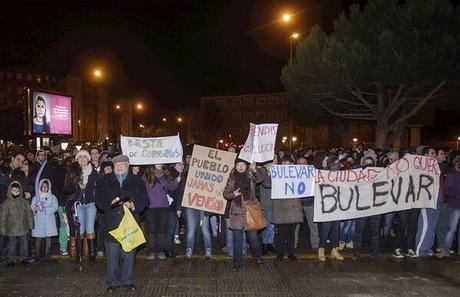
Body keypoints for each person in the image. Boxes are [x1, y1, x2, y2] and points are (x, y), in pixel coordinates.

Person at [95, 154, 148, 293]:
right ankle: (112, 282)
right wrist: (109, 204)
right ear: (113, 166)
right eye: (116, 164)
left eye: (122, 164)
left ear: (127, 165)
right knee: (112, 256)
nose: (119, 166)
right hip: (111, 224)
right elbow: (98, 200)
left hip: (130, 225)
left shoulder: (137, 181)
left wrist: (133, 204)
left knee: (129, 255)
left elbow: (145, 199)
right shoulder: (104, 181)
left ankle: (128, 281)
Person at [223, 158, 263, 271]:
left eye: (243, 165)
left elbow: (260, 179)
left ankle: (257, 257)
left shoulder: (250, 175)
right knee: (237, 239)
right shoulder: (232, 178)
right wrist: (233, 194)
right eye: (238, 164)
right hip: (237, 211)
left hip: (250, 209)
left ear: (246, 166)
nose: (241, 167)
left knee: (253, 238)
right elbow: (226, 194)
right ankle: (237, 263)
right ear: (235, 166)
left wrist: (255, 170)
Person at [63, 150, 99, 263]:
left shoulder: (93, 172)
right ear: (77, 160)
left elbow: (99, 187)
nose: (82, 159)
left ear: (88, 159)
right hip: (78, 205)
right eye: (80, 157)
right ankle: (79, 254)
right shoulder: (73, 172)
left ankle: (92, 255)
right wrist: (71, 177)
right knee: (80, 228)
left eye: (85, 157)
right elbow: (65, 189)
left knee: (90, 228)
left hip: (90, 203)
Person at [143, 164, 179, 260]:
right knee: (151, 230)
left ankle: (160, 251)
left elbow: (172, 187)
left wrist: (177, 180)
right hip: (150, 207)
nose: (159, 163)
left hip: (163, 206)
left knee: (161, 231)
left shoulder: (166, 174)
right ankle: (151, 251)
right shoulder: (147, 175)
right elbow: (140, 186)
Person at [272, 155, 304, 261]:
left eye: (289, 163)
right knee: (281, 233)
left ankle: (291, 253)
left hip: (292, 207)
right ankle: (280, 253)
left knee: (291, 233)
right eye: (284, 163)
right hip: (280, 207)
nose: (287, 165)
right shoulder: (275, 173)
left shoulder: (296, 174)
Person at [352, 157, 382, 259]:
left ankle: (375, 252)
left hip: (375, 208)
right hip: (362, 208)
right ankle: (356, 252)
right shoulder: (359, 176)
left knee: (375, 232)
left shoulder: (379, 176)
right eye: (366, 163)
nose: (369, 165)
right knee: (359, 231)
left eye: (370, 163)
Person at [0, 181, 34, 267]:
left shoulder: (24, 202)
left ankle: (24, 258)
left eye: (17, 191)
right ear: (10, 191)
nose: (16, 192)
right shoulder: (6, 203)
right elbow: (3, 217)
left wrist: (30, 224)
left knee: (24, 244)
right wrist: (3, 229)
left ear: (20, 191)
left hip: (23, 227)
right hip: (11, 228)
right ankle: (11, 260)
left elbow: (29, 213)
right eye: (14, 190)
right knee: (11, 245)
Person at [318, 156, 344, 261]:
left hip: (337, 207)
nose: (337, 165)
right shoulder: (324, 174)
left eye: (338, 163)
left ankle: (335, 250)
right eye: (335, 163)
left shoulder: (341, 175)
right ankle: (321, 250)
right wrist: (324, 166)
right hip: (326, 207)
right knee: (325, 229)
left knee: (335, 230)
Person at [436, 156, 460, 258]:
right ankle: (445, 249)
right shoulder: (451, 175)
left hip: (455, 204)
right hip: (455, 205)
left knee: (452, 229)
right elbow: (447, 190)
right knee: (451, 229)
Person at [31, 179, 58, 261]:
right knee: (38, 238)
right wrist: (36, 208)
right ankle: (37, 255)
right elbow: (32, 207)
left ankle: (47, 255)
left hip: (49, 221)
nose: (44, 188)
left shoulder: (52, 197)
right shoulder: (36, 197)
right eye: (42, 187)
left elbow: (55, 207)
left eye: (46, 187)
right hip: (39, 221)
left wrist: (45, 209)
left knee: (48, 238)